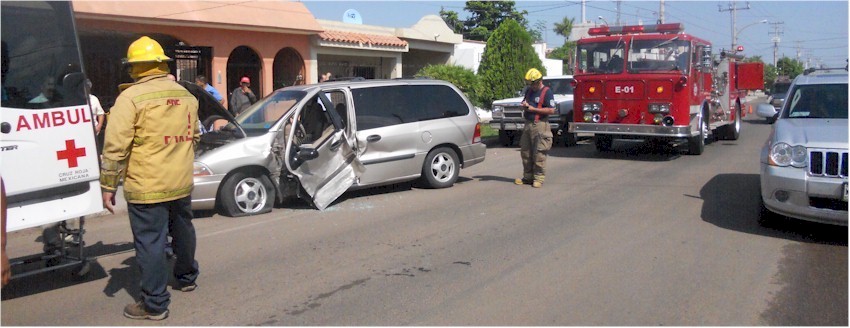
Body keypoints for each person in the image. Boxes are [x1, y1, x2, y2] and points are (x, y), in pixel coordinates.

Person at [101, 36, 200, 321]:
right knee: (183, 230)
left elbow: (115, 147)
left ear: (134, 67)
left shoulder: (130, 98)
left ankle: (155, 304)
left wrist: (108, 186)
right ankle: (186, 277)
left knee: (151, 242)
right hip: (180, 181)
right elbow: (195, 137)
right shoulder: (187, 96)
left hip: (147, 184)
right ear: (161, 64)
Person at [515, 68, 555, 188]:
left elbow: (551, 110)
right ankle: (527, 177)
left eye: (533, 83)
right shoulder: (529, 91)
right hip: (528, 124)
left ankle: (538, 178)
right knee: (526, 152)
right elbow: (525, 102)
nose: (531, 86)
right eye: (529, 84)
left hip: (541, 125)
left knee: (539, 153)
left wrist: (534, 109)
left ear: (539, 81)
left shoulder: (547, 92)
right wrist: (524, 106)